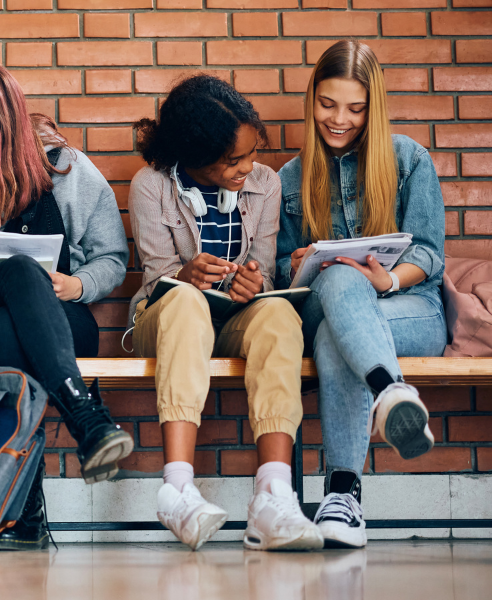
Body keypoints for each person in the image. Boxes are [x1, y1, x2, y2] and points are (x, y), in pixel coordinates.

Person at [0, 61, 134, 550]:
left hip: (59, 317)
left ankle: (26, 504)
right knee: (16, 270)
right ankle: (85, 415)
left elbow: (112, 258)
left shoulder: (67, 168)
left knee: (9, 330)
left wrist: (74, 286)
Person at [129, 74, 322, 551]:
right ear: (196, 156)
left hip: (233, 316)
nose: (247, 168)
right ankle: (177, 488)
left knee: (279, 317)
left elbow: (266, 271)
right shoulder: (151, 186)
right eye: (232, 161)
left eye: (252, 153)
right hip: (167, 316)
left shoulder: (265, 184)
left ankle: (273, 495)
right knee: (186, 300)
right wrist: (186, 274)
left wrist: (255, 281)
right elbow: (156, 283)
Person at [277, 40, 445, 549]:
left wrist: (388, 280)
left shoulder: (408, 159)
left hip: (409, 310)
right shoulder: (289, 178)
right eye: (328, 104)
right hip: (324, 305)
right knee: (339, 278)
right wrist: (295, 264)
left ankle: (343, 496)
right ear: (312, 100)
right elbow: (276, 278)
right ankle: (390, 391)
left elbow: (429, 255)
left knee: (336, 335)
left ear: (374, 106)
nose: (339, 119)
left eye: (355, 107)